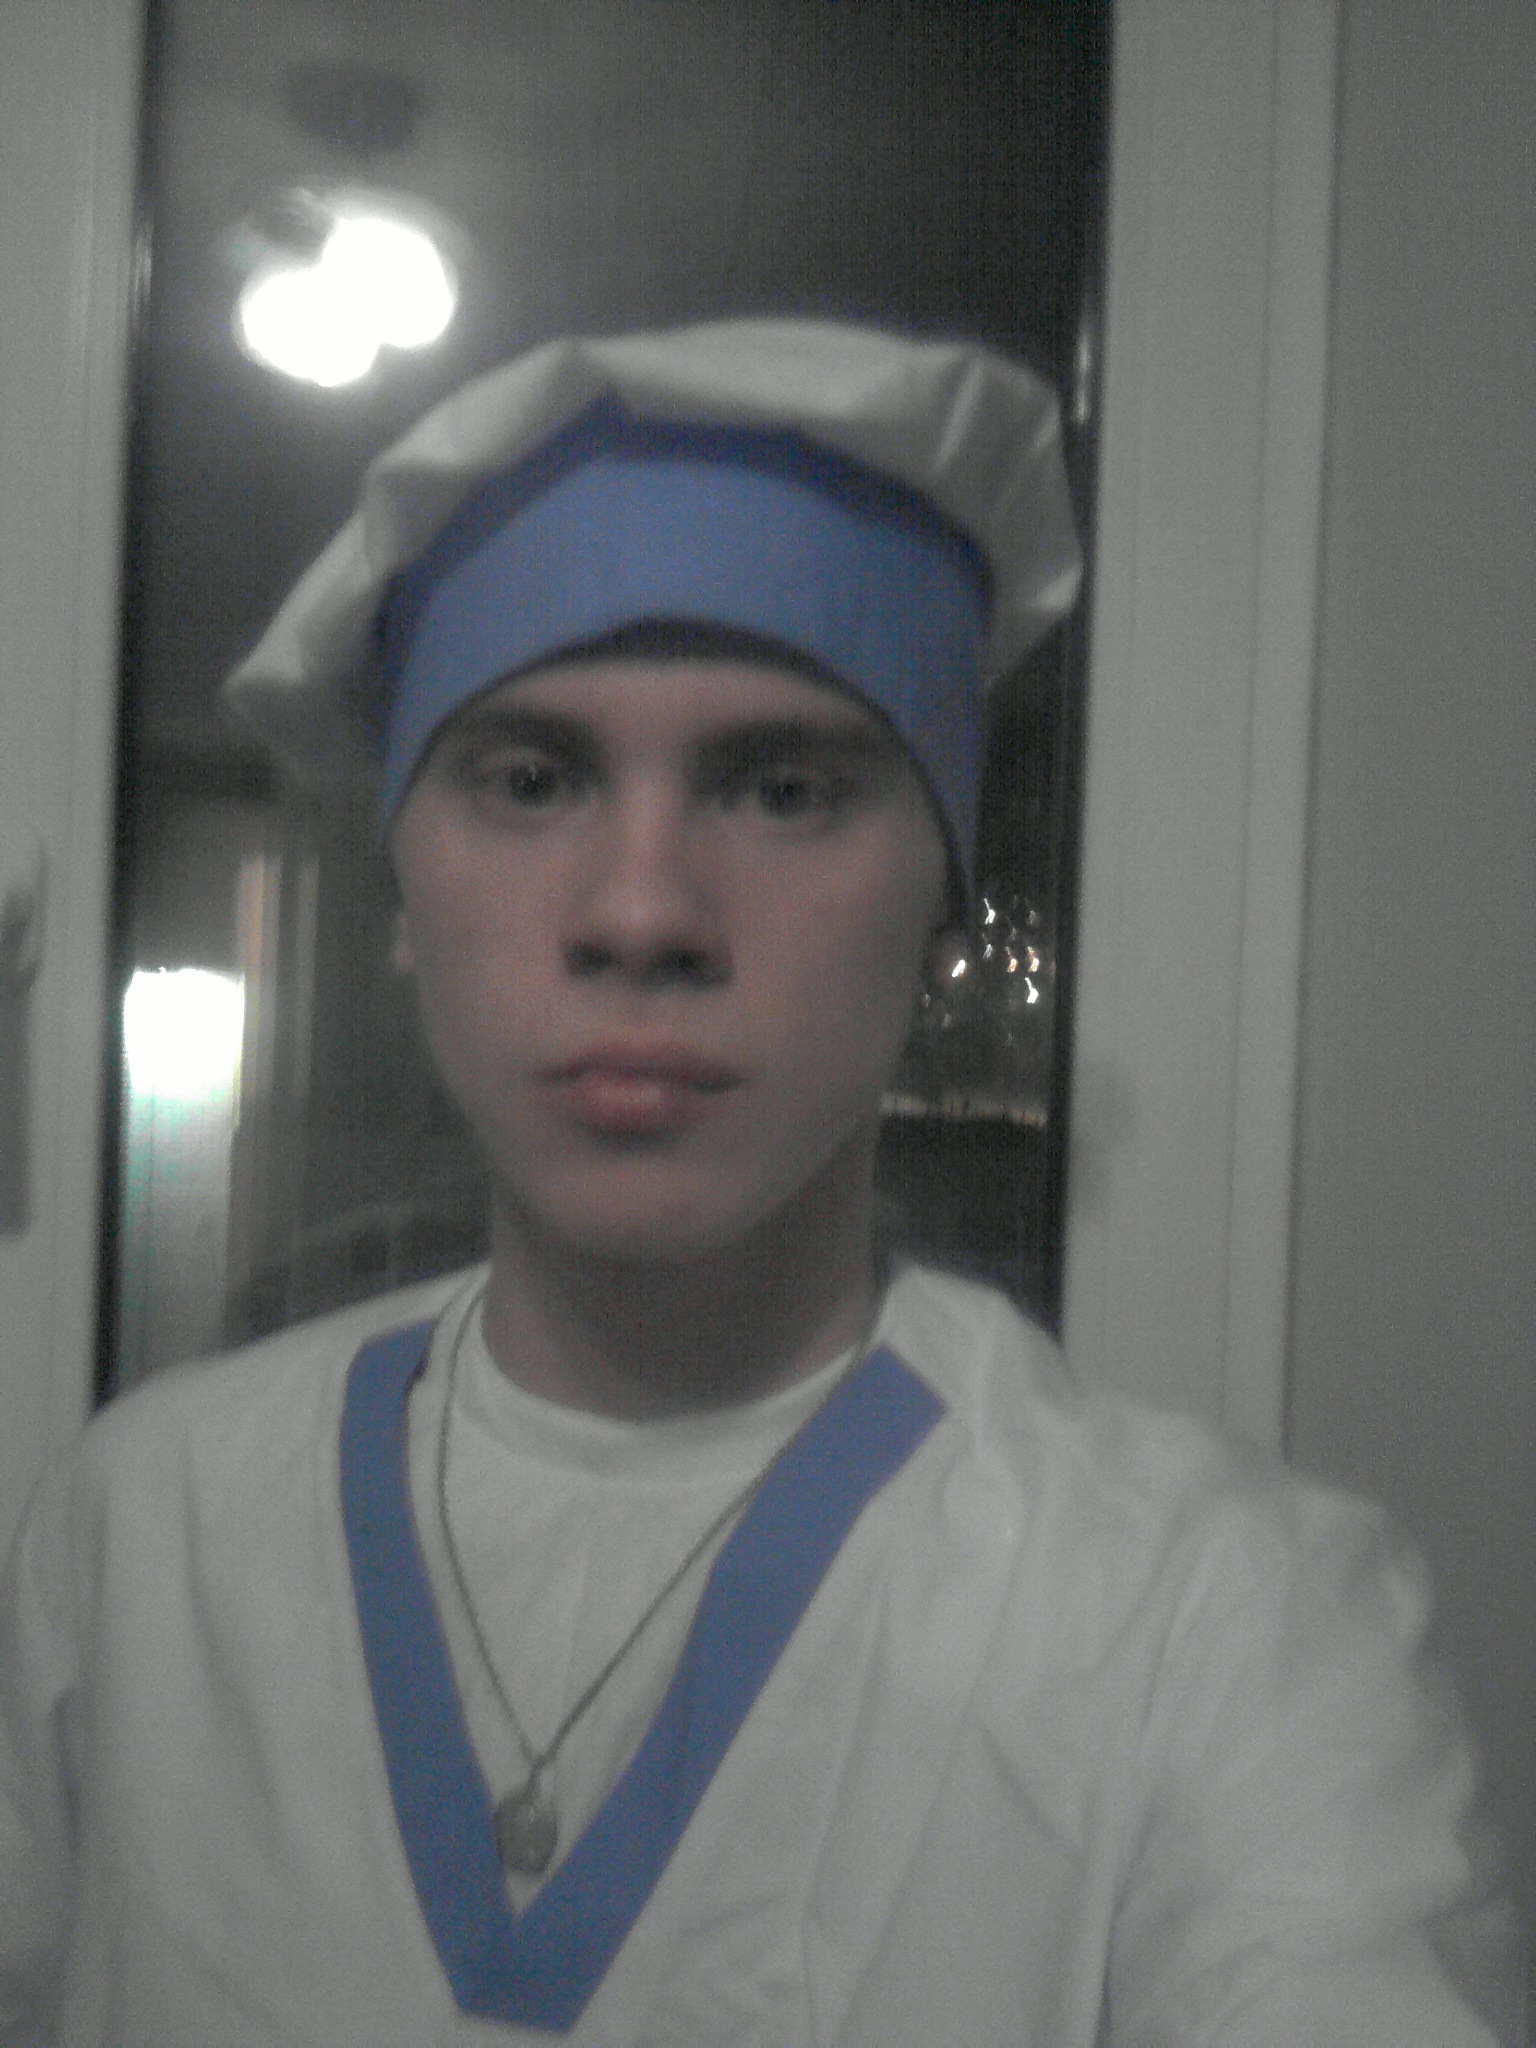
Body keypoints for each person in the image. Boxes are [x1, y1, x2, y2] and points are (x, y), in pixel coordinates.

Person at [0, 321, 1517, 2045]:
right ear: (401, 898)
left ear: (940, 910)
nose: (641, 912)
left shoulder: (1218, 1622)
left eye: (785, 789)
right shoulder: (138, 1539)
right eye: (530, 779)